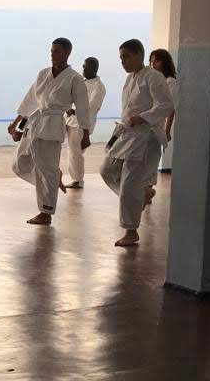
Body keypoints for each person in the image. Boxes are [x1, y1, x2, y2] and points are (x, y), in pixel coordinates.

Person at [99, 38, 174, 247]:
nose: (122, 61)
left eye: (126, 57)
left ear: (139, 55)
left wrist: (142, 118)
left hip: (145, 138)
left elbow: (166, 105)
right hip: (127, 134)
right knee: (107, 170)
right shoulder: (130, 78)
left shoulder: (153, 76)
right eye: (120, 57)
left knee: (129, 183)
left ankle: (131, 231)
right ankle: (139, 197)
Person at [8, 38, 90, 225]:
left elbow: (83, 107)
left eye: (57, 51)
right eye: (52, 51)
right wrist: (16, 123)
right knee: (19, 164)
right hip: (35, 122)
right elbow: (30, 100)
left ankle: (46, 212)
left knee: (46, 171)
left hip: (53, 126)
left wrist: (85, 134)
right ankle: (53, 177)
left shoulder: (74, 78)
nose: (52, 54)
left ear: (67, 53)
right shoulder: (43, 73)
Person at [143, 47, 179, 205]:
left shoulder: (170, 82)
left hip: (158, 126)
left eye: (156, 61)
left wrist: (167, 130)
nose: (153, 64)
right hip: (147, 125)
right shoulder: (154, 80)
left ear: (164, 62)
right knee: (144, 159)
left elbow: (171, 108)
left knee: (151, 159)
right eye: (151, 61)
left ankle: (148, 190)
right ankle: (145, 190)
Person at [64, 55, 105, 188]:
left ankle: (78, 180)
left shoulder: (99, 86)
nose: (83, 68)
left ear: (94, 69)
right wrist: (69, 109)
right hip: (71, 121)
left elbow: (92, 106)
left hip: (82, 124)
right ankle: (75, 179)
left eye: (85, 66)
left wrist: (74, 111)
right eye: (83, 66)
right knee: (72, 151)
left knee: (76, 152)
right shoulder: (83, 82)